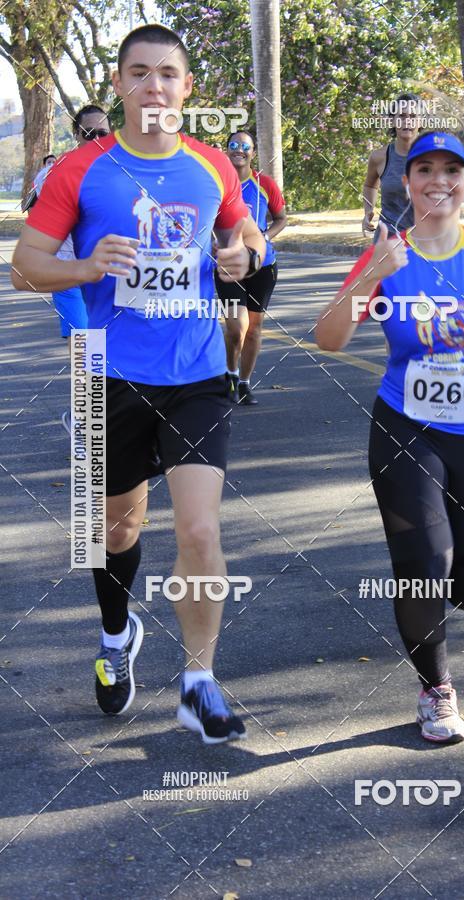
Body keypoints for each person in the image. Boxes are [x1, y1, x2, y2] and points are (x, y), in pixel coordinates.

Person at [12, 24, 266, 744]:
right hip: (109, 374)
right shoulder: (81, 171)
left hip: (197, 374)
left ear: (187, 88)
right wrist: (87, 267)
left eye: (168, 74)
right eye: (140, 73)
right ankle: (116, 631)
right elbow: (25, 266)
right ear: (120, 84)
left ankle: (199, 683)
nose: (154, 85)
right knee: (115, 528)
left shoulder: (212, 166)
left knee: (199, 528)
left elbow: (245, 234)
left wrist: (242, 256)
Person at [316, 114, 464, 744]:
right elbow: (329, 338)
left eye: (452, 170)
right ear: (409, 180)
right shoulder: (388, 256)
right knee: (423, 563)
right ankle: (436, 688)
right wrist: (371, 273)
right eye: (425, 169)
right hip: (406, 427)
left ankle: (436, 590)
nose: (438, 180)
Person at [35, 106, 112, 433]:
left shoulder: (123, 171)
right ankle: (85, 419)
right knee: (86, 344)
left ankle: (103, 416)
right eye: (89, 133)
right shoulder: (52, 174)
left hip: (111, 274)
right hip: (68, 271)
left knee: (113, 346)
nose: (96, 139)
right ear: (76, 135)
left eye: (103, 133)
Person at [214, 130, 287, 405]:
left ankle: (244, 384)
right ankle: (230, 376)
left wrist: (264, 237)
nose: (239, 150)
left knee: (254, 328)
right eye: (234, 144)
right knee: (236, 327)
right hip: (229, 265)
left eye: (245, 146)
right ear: (227, 149)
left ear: (253, 153)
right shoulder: (217, 183)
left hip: (261, 265)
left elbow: (281, 218)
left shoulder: (264, 184)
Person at [361, 93, 420, 239]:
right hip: (387, 240)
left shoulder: (433, 156)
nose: (407, 121)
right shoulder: (379, 157)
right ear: (393, 120)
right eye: (402, 116)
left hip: (423, 242)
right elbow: (370, 186)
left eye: (413, 116)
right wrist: (368, 211)